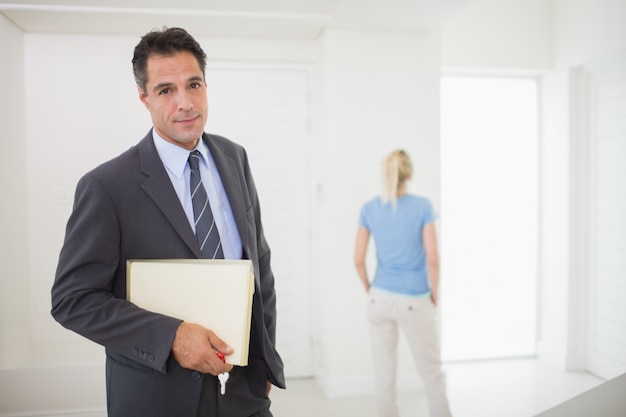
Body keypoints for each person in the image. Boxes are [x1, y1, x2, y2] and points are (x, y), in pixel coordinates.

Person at [51, 27, 285, 417]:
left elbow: (260, 268)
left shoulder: (235, 158)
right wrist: (172, 336)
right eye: (165, 90)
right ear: (144, 98)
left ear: (207, 85)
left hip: (244, 395)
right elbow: (73, 300)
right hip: (157, 397)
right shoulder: (107, 186)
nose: (185, 103)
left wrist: (265, 364)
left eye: (194, 85)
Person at [354, 150, 452, 417]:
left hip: (379, 300)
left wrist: (370, 288)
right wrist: (435, 294)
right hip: (415, 300)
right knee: (432, 376)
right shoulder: (423, 206)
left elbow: (358, 259)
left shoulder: (370, 208)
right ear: (409, 174)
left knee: (384, 380)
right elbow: (433, 259)